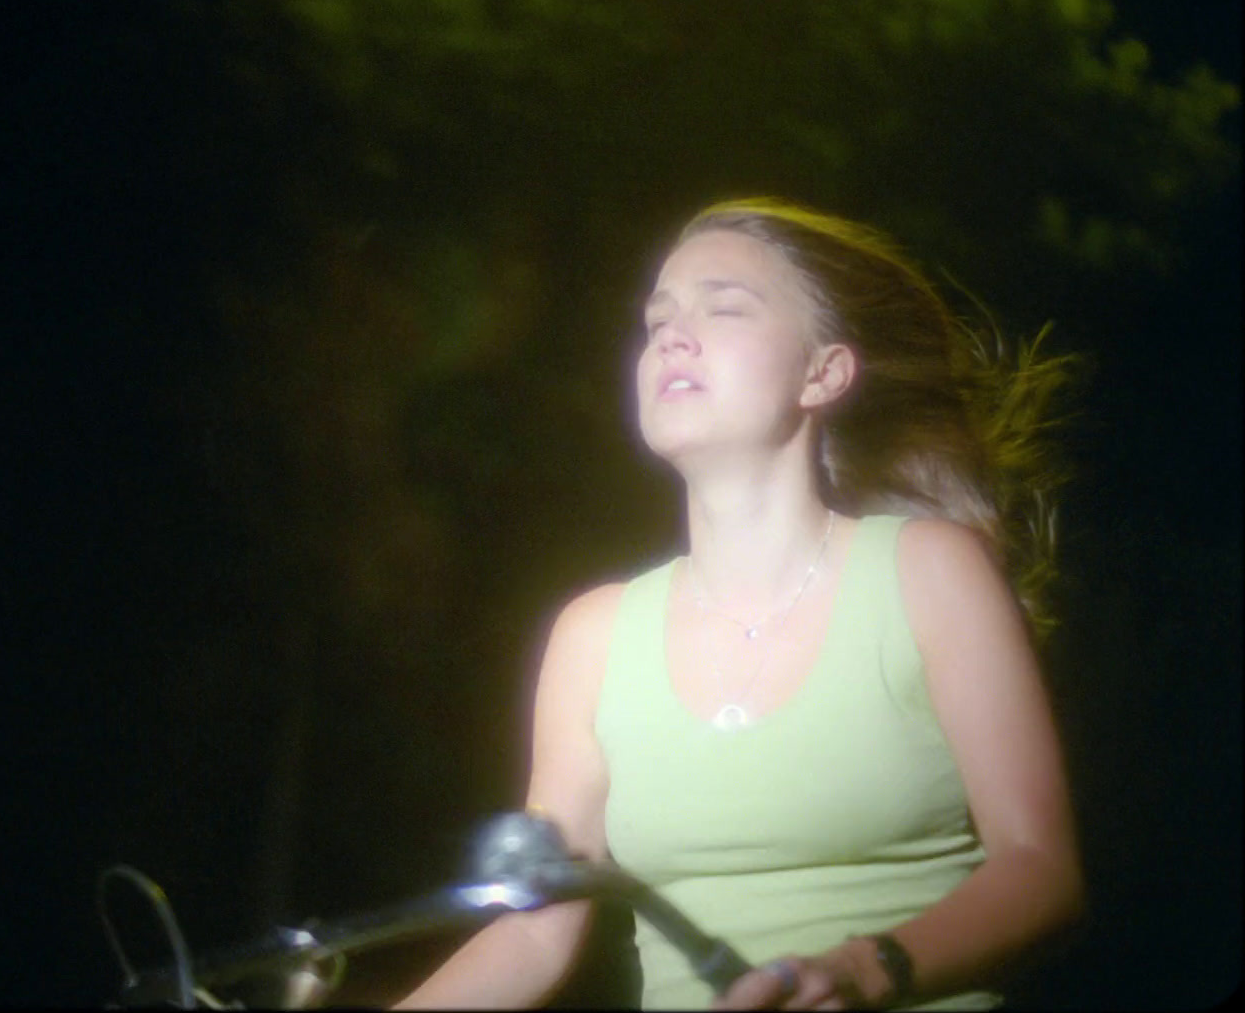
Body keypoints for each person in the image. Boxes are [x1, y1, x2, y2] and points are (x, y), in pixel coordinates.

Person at [394, 197, 1085, 1010]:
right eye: (658, 321)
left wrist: (860, 971)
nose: (671, 337)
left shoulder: (928, 571)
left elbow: (1040, 869)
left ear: (823, 372)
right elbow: (537, 930)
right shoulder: (594, 635)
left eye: (724, 309)